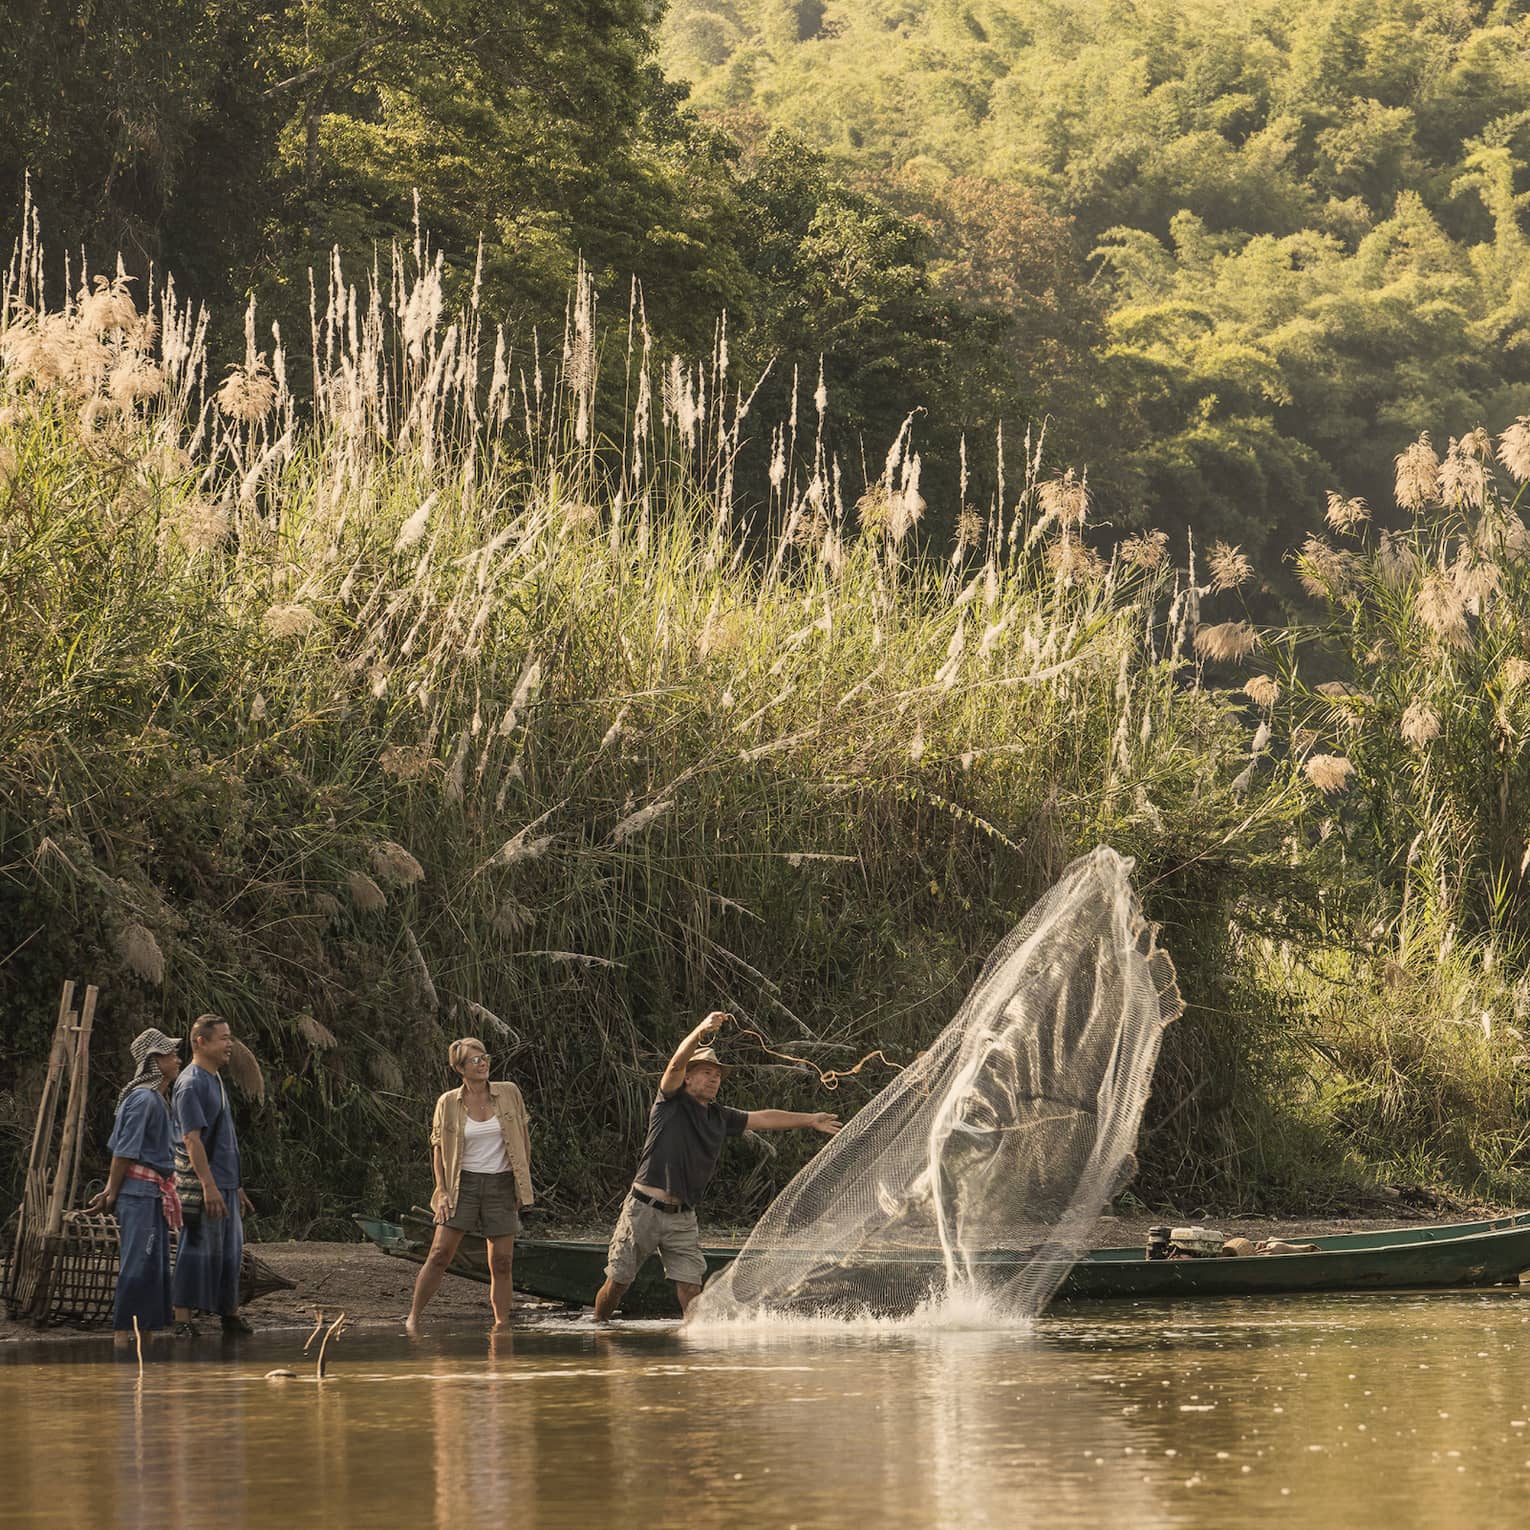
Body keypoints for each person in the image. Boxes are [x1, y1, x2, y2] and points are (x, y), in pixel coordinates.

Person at [594, 1012, 841, 1320]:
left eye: (718, 1075)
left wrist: (810, 1120)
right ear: (688, 1077)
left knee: (691, 1291)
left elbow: (764, 1118)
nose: (714, 1078)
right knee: (618, 1284)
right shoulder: (669, 1102)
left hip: (682, 1217)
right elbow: (674, 1064)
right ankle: (598, 1331)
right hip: (643, 1210)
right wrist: (700, 1030)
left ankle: (694, 1359)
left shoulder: (720, 1116)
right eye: (707, 1072)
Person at [405, 1037, 534, 1335]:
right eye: (474, 1060)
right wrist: (443, 1190)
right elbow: (437, 1148)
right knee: (439, 1253)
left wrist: (520, 1181)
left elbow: (523, 1140)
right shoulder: (448, 1102)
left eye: (484, 1057)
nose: (482, 1063)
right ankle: (413, 1317)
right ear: (459, 1068)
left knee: (502, 1261)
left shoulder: (509, 1093)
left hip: (501, 1183)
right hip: (462, 1184)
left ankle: (502, 1326)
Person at [87, 1028, 184, 1348]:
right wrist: (111, 1192)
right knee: (138, 1262)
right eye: (170, 1054)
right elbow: (124, 1152)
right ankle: (121, 1337)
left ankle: (146, 1336)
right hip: (138, 1194)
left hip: (152, 1193)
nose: (177, 1058)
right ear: (155, 1061)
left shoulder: (157, 1099)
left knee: (154, 1264)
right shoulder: (144, 1099)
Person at [170, 1013, 254, 1337]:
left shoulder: (215, 1077)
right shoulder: (191, 1083)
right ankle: (182, 1320)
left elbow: (223, 1139)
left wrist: (236, 1186)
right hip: (206, 1184)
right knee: (197, 1250)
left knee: (230, 1254)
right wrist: (209, 1185)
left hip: (226, 1183)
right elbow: (191, 1139)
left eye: (229, 1037)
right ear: (201, 1042)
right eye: (223, 1038)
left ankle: (228, 1315)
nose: (229, 1044)